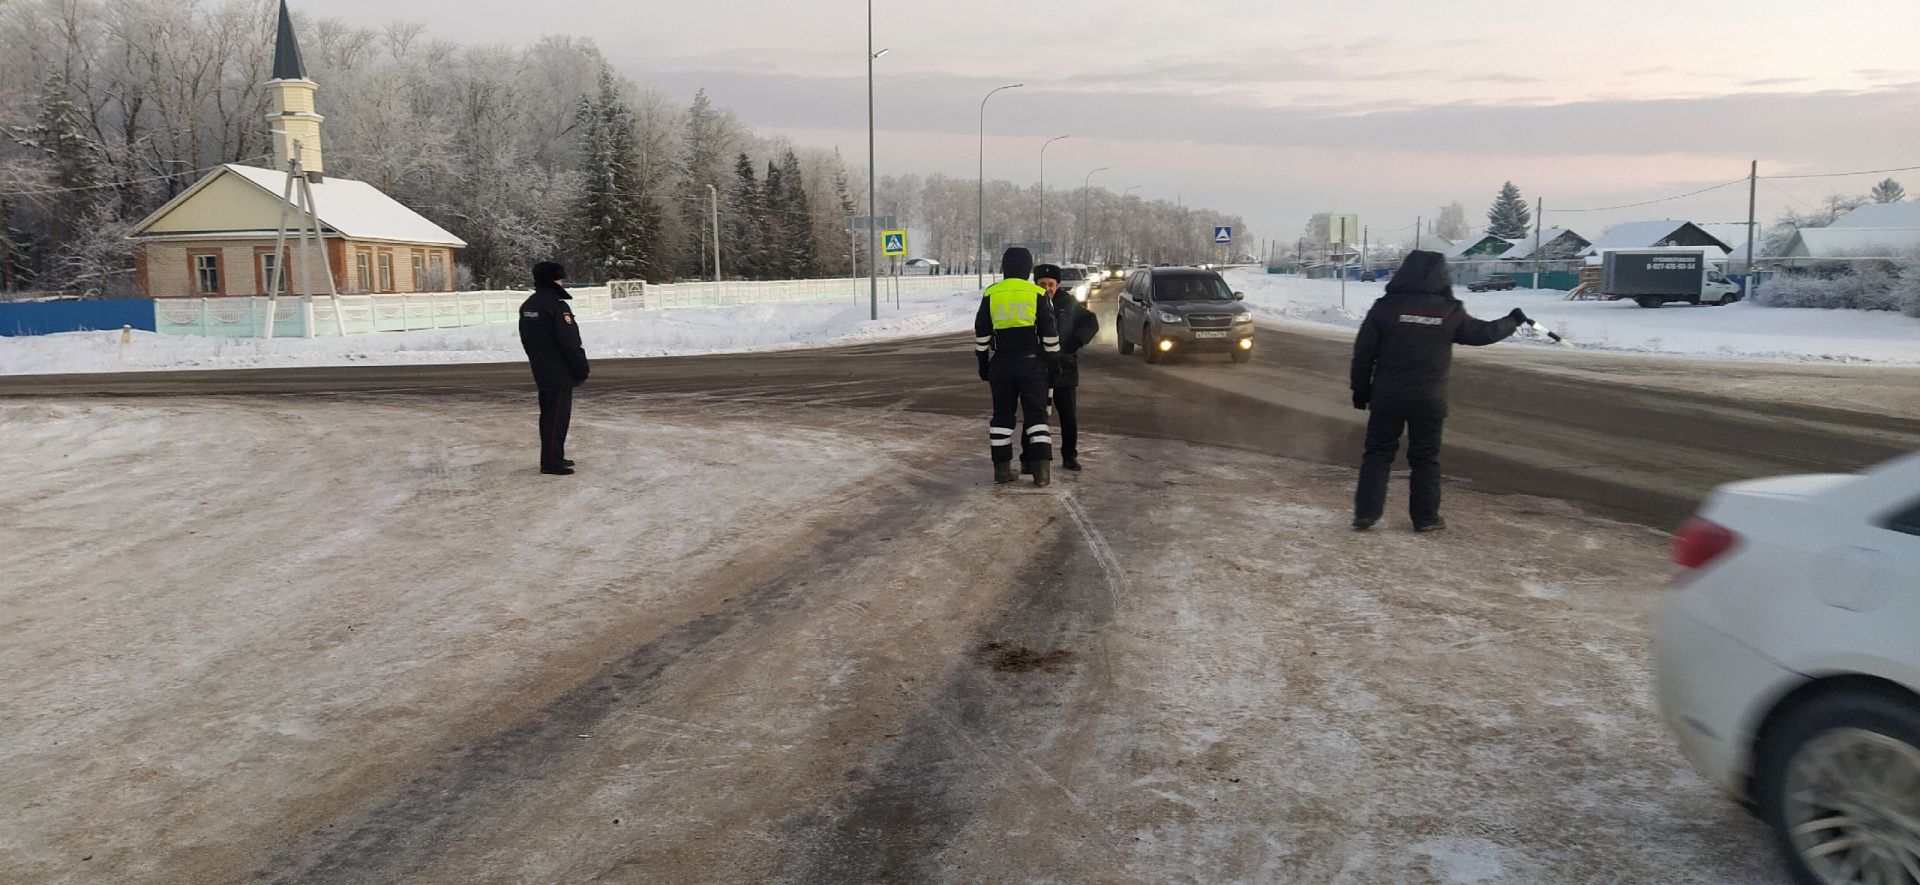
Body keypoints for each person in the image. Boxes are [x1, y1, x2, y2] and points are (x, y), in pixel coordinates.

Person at [1349, 250, 1528, 531]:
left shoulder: (1384, 307)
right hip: (1429, 401)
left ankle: (1366, 513)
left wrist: (1361, 391)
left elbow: (1363, 354)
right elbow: (1482, 334)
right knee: (1425, 458)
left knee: (1378, 454)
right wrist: (1512, 321)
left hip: (1387, 398)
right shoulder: (1449, 311)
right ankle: (1425, 518)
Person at [975, 247, 1061, 486]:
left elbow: (982, 333)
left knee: (1001, 417)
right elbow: (1050, 335)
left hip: (1001, 364)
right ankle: (1041, 473)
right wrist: (1054, 366)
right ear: (1027, 268)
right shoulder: (1036, 293)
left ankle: (1002, 471)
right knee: (1037, 416)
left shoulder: (991, 293)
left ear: (1004, 267)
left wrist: (983, 363)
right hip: (1032, 364)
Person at [518, 261, 590, 476]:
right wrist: (581, 367)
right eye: (560, 278)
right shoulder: (556, 306)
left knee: (549, 415)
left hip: (541, 367)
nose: (562, 282)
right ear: (552, 279)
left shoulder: (529, 305)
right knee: (557, 417)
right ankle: (551, 462)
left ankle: (553, 456)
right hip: (560, 370)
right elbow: (569, 341)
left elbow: (527, 339)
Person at [1032, 263, 1099, 471]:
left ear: (1058, 285)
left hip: (1064, 370)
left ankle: (1069, 456)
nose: (1046, 288)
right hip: (1037, 370)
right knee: (1035, 417)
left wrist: (1074, 343)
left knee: (1068, 417)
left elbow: (1091, 322)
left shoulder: (1067, 302)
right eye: (1042, 284)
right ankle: (1030, 458)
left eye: (1050, 284)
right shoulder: (1030, 301)